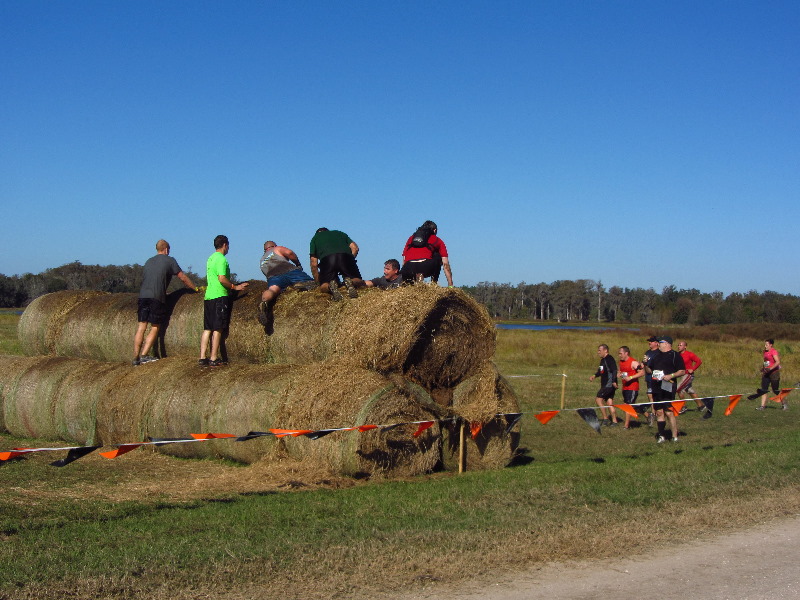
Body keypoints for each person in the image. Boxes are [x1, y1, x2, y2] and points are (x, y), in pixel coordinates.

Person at [133, 239, 198, 365]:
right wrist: (194, 288)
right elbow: (182, 277)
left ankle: (135, 357)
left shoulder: (148, 261)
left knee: (141, 327)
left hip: (143, 296)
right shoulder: (170, 260)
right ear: (166, 249)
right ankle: (144, 355)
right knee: (155, 326)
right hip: (156, 297)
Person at [199, 235, 249, 367]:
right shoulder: (221, 259)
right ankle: (214, 358)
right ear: (225, 245)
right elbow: (222, 278)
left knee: (207, 328)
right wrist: (235, 287)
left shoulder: (210, 258)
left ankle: (202, 357)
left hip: (208, 296)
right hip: (219, 296)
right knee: (218, 328)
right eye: (228, 246)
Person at [646, 336, 686, 443]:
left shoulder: (674, 355)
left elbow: (682, 371)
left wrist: (670, 375)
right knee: (659, 412)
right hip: (656, 386)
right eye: (658, 342)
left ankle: (674, 436)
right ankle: (661, 435)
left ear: (668, 344)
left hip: (668, 385)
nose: (658, 344)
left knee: (668, 412)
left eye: (661, 342)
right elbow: (649, 370)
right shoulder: (656, 355)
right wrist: (645, 363)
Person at [309, 227, 364, 301]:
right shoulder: (339, 233)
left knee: (324, 284)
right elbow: (355, 248)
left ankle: (330, 286)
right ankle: (351, 282)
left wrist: (319, 283)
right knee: (358, 280)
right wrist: (350, 259)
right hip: (345, 256)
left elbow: (314, 263)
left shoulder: (315, 238)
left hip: (327, 260)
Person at [400, 220, 454, 286]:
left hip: (407, 268)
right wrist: (450, 284)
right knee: (437, 256)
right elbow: (446, 264)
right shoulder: (437, 240)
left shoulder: (411, 238)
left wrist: (404, 275)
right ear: (434, 230)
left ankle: (415, 281)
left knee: (411, 288)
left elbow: (404, 259)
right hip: (425, 266)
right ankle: (433, 283)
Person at [749, 339, 785, 410]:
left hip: (774, 373)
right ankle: (762, 406)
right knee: (763, 389)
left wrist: (770, 369)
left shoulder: (773, 351)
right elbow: (766, 361)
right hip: (766, 373)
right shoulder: (765, 352)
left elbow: (777, 362)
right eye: (765, 345)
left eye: (766, 345)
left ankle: (784, 404)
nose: (765, 346)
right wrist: (764, 368)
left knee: (776, 390)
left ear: (771, 345)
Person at [676, 340, 709, 418]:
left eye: (680, 345)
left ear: (685, 347)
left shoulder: (690, 354)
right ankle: (701, 406)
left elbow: (699, 361)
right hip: (682, 374)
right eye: (678, 345)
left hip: (688, 375)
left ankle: (683, 407)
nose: (679, 346)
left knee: (679, 389)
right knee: (689, 390)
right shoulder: (677, 355)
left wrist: (693, 369)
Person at [589, 344, 618, 426]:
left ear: (605, 350)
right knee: (609, 402)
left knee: (598, 400)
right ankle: (615, 421)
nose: (598, 352)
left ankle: (605, 418)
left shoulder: (609, 359)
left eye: (599, 350)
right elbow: (600, 371)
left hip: (608, 385)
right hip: (606, 384)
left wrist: (614, 381)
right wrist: (594, 376)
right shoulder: (603, 360)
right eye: (598, 350)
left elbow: (614, 370)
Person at [617, 346, 644, 429]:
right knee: (629, 405)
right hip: (625, 386)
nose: (619, 355)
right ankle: (647, 414)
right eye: (619, 353)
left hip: (633, 387)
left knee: (627, 405)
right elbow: (621, 371)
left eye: (621, 353)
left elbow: (642, 373)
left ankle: (626, 426)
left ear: (626, 353)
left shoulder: (633, 362)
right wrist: (618, 374)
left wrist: (631, 377)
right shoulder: (621, 362)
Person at [641, 336, 660, 426]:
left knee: (652, 394)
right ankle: (654, 411)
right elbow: (644, 362)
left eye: (651, 342)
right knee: (650, 394)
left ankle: (654, 412)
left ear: (656, 343)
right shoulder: (648, 352)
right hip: (648, 377)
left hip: (655, 376)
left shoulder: (659, 353)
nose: (649, 343)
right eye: (649, 341)